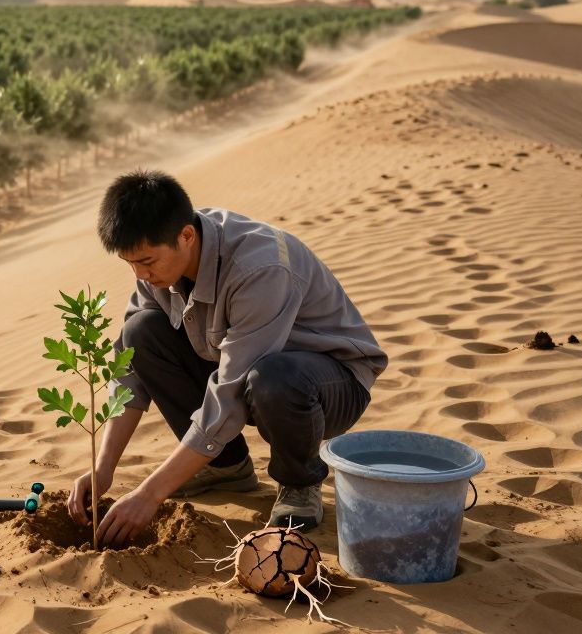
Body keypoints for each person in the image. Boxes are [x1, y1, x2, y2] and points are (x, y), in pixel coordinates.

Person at [69, 170, 387, 546]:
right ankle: (226, 468)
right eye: (130, 264)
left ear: (186, 236)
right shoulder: (163, 256)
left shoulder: (259, 268)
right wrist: (103, 468)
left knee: (272, 378)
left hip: (328, 381)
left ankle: (299, 483)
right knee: (139, 332)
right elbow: (129, 373)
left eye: (147, 261)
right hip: (241, 367)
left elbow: (230, 393)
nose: (140, 274)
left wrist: (151, 493)